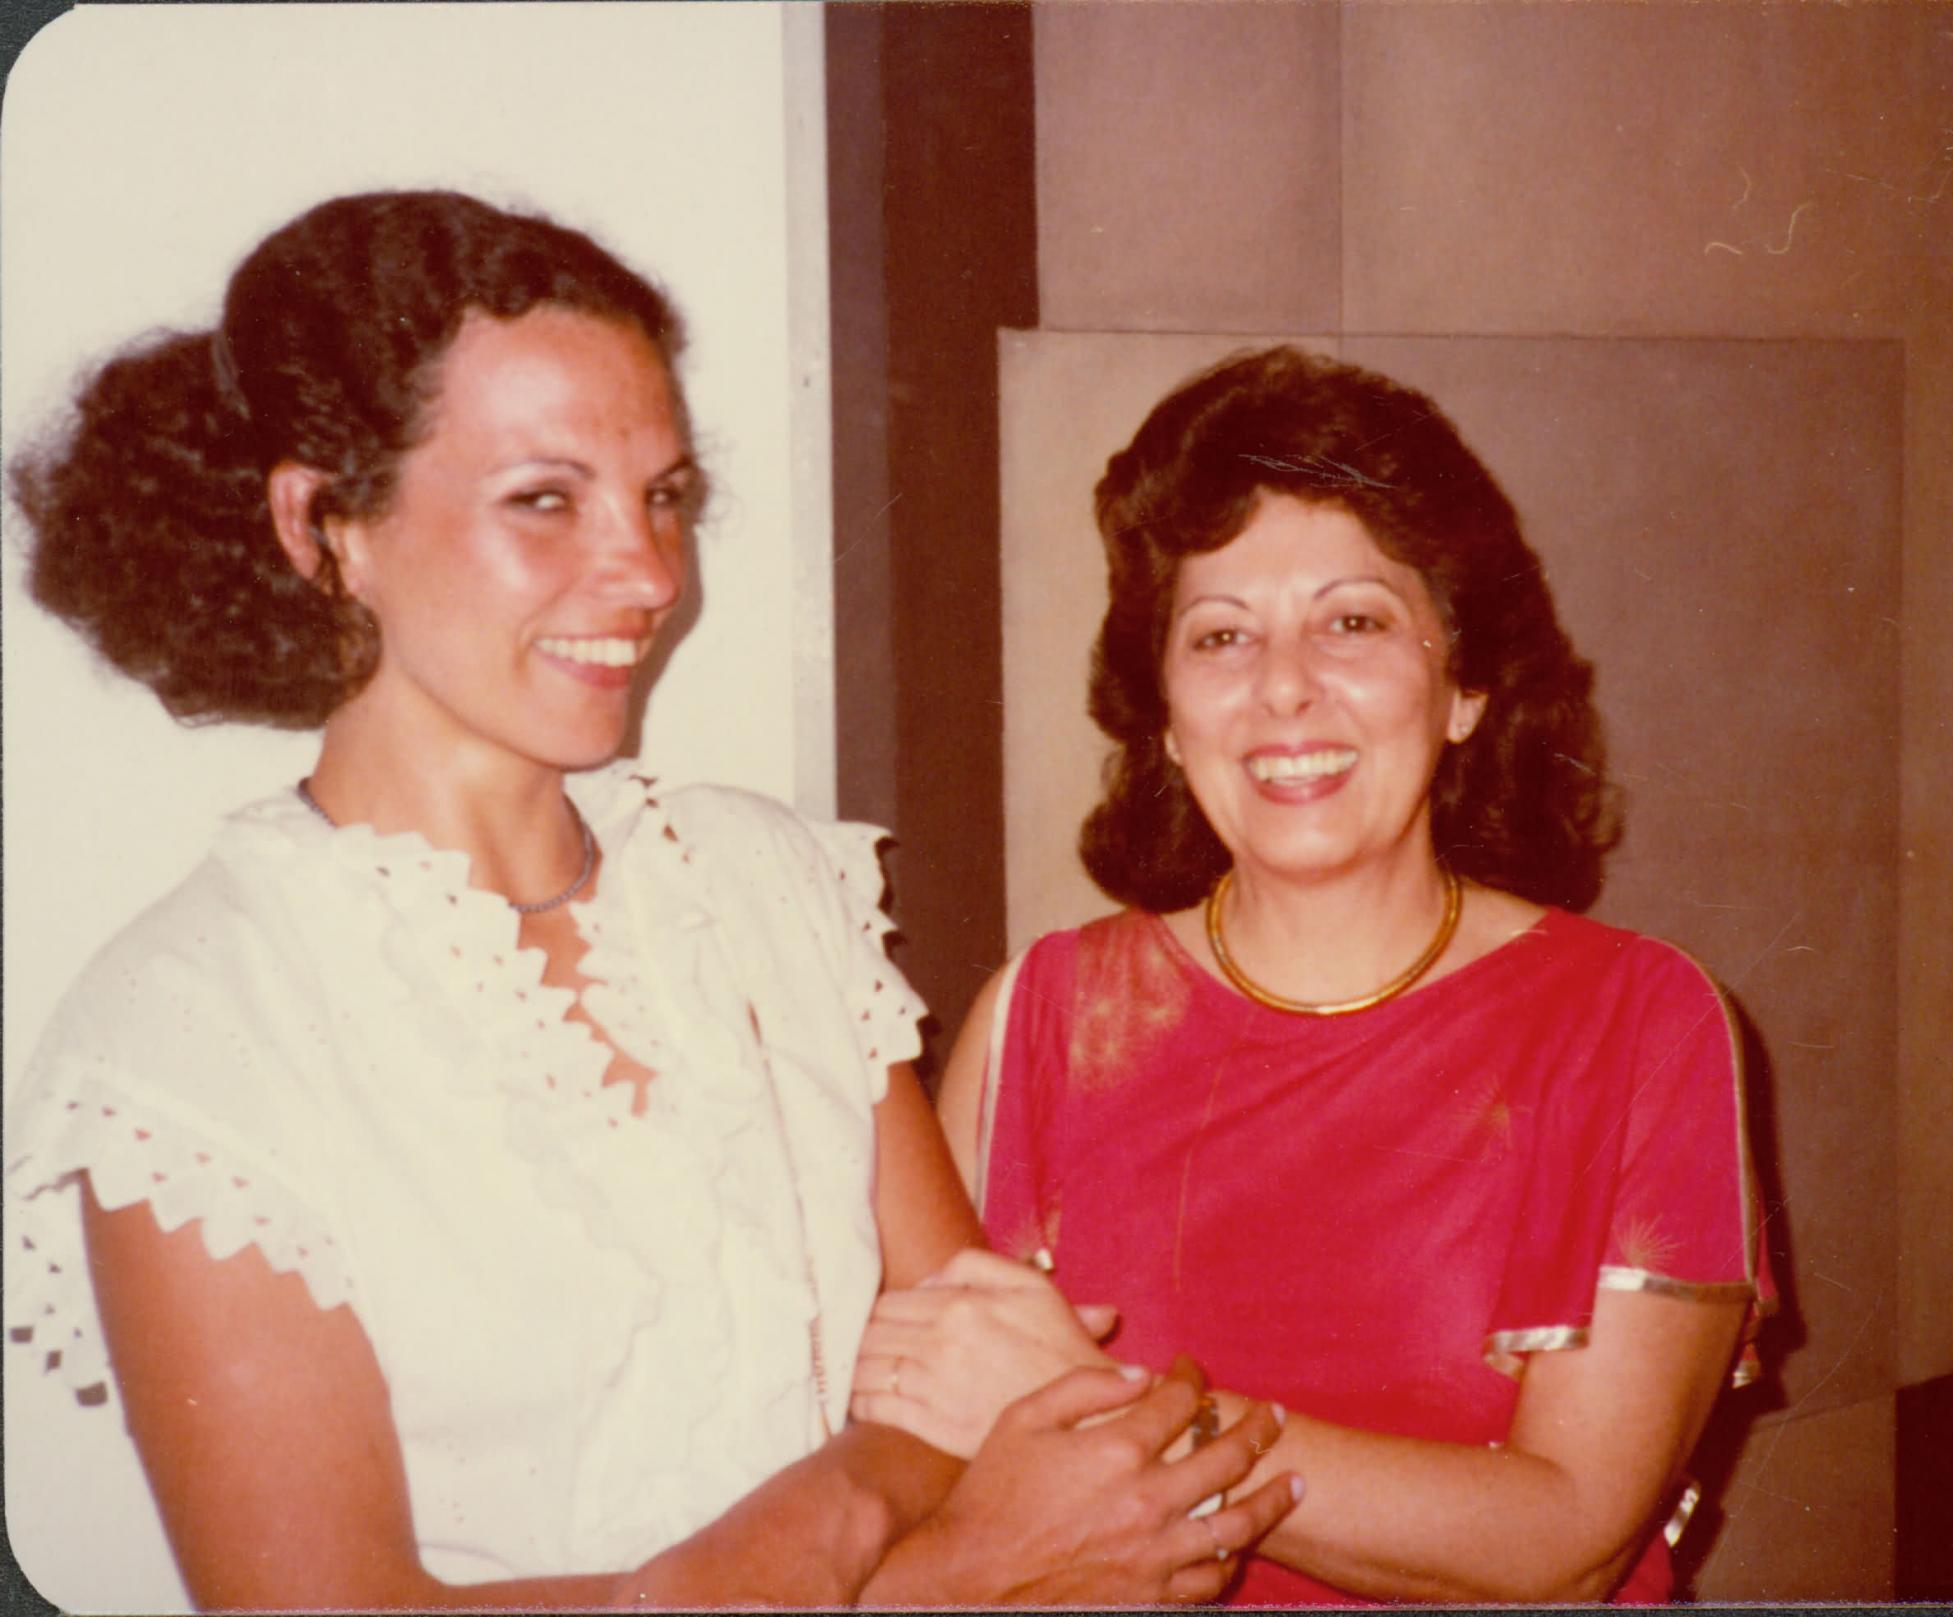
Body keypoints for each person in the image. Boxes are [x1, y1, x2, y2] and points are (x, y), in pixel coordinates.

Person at [2, 190, 1298, 1610]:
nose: (647, 573)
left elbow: (976, 1367)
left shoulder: (766, 883)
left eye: (664, 496)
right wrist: (933, 1583)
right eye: (545, 499)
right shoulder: (189, 1036)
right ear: (325, 527)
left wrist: (839, 1512)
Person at [849, 346, 1779, 1604]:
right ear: (1166, 718)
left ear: (1461, 686)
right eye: (1220, 636)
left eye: (1352, 622)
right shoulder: (1044, 1020)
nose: (1282, 688)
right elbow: (919, 1442)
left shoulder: (1633, 1021)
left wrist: (1109, 1407)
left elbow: (1566, 1543)